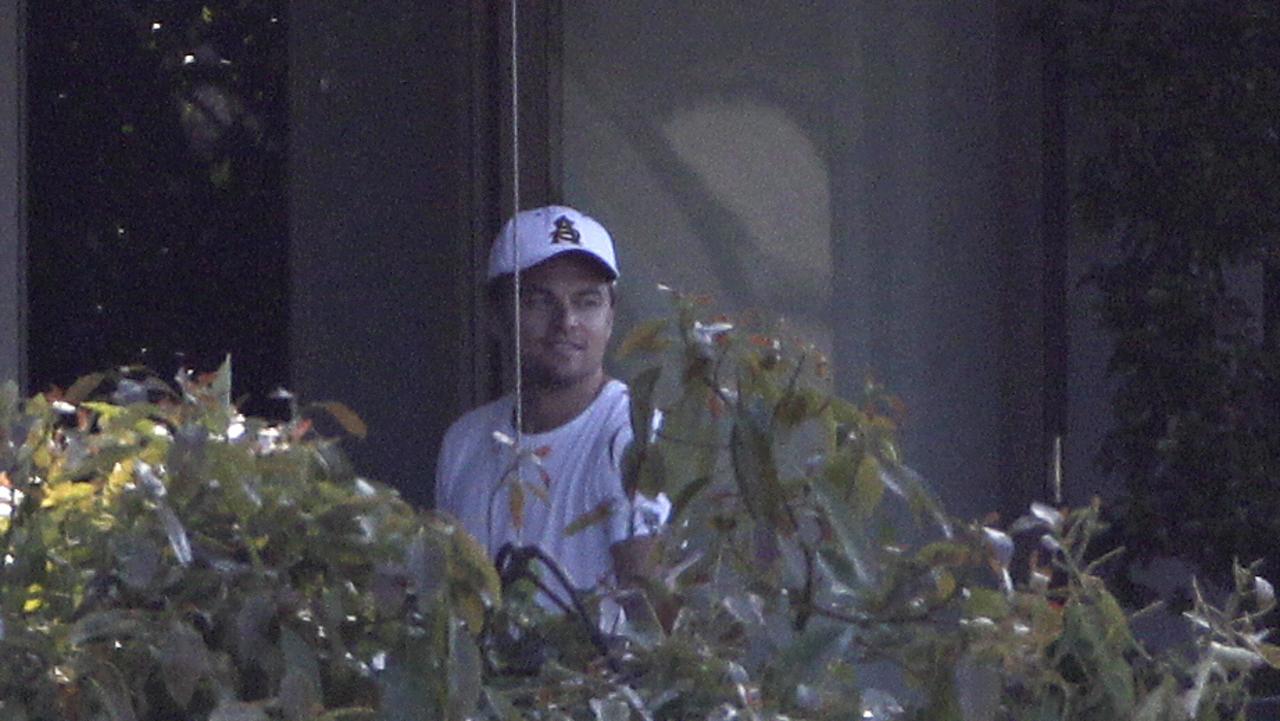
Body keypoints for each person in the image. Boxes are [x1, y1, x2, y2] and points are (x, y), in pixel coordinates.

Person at [434, 205, 669, 596]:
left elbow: (654, 623)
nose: (567, 322)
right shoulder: (465, 441)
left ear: (611, 316)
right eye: (540, 301)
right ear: (496, 315)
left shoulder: (632, 432)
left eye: (587, 301)